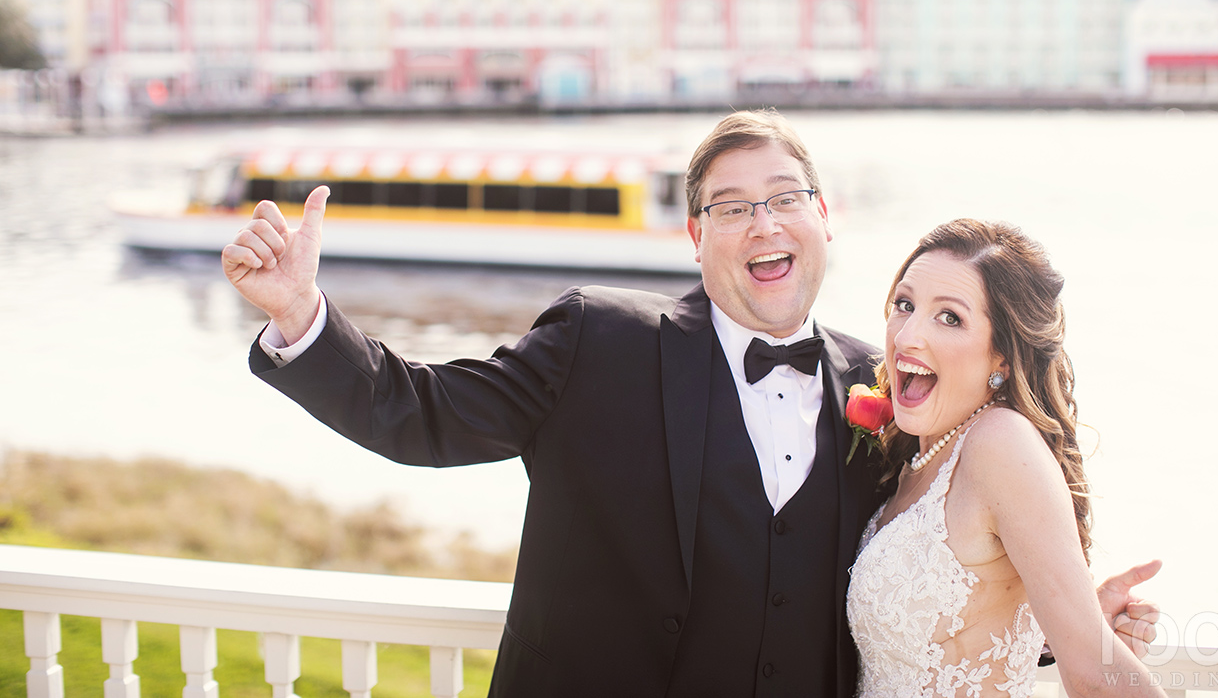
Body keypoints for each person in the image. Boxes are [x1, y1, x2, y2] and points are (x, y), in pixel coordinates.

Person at [223, 110, 1158, 697]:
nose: (763, 222)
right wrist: (304, 316)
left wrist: (1047, 622)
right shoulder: (597, 339)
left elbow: (917, 596)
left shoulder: (888, 390)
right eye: (730, 205)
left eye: (784, 197)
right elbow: (415, 411)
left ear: (823, 219)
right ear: (694, 234)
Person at [847, 219, 1164, 698]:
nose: (907, 336)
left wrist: (1088, 641)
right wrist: (1057, 623)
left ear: (1002, 357)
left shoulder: (1000, 442)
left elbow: (1096, 679)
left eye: (949, 317)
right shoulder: (920, 456)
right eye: (904, 305)